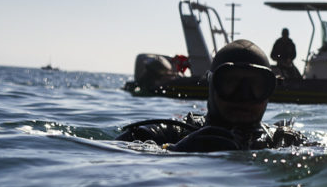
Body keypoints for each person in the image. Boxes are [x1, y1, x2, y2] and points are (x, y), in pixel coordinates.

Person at [117, 39, 304, 153]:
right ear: (212, 85)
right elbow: (108, 155)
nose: (244, 96)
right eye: (231, 83)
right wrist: (177, 151)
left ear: (269, 90)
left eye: (256, 86)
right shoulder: (171, 134)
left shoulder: (284, 141)